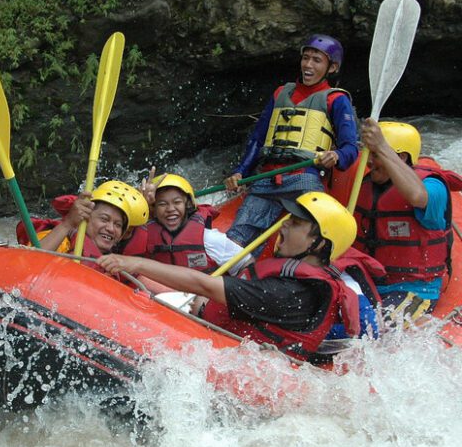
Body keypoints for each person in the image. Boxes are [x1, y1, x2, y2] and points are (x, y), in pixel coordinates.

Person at [98, 192, 361, 363]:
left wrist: (132, 261)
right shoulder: (296, 281)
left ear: (317, 244)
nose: (284, 225)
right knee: (143, 283)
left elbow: (204, 284)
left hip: (234, 364)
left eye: (296, 223)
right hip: (223, 332)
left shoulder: (289, 293)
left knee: (145, 285)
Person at [224, 34, 360, 251]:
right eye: (305, 58)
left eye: (317, 60)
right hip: (267, 179)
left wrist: (336, 156)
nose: (308, 64)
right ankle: (235, 276)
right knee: (235, 240)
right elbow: (258, 140)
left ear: (332, 68)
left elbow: (351, 148)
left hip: (303, 179)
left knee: (307, 241)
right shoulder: (280, 93)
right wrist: (241, 172)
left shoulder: (336, 99)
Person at [355, 119, 462, 313]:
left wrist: (382, 146)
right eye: (368, 153)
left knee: (377, 330)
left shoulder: (433, 187)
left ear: (401, 157)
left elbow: (417, 196)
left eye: (375, 154)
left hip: (414, 290)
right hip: (368, 284)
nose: (369, 161)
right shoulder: (366, 184)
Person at [124, 171, 252, 276]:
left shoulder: (209, 239)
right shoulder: (144, 234)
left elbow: (247, 263)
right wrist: (141, 202)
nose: (170, 209)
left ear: (188, 205)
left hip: (203, 299)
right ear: (154, 210)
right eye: (162, 204)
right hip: (159, 296)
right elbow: (121, 241)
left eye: (177, 202)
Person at [31, 181, 149, 272]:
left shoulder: (114, 262)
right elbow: (30, 262)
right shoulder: (61, 240)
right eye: (104, 219)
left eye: (118, 225)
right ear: (85, 217)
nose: (111, 229)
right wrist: (68, 223)